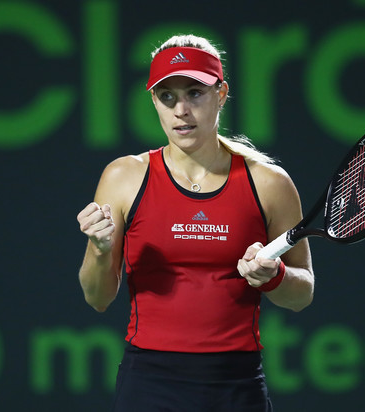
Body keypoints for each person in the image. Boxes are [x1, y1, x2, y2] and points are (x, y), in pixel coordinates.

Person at [77, 34, 314, 412]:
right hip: (149, 386)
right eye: (167, 96)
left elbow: (302, 295)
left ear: (221, 94)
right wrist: (99, 248)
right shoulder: (123, 177)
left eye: (195, 93)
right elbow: (97, 298)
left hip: (237, 387)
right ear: (154, 101)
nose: (181, 110)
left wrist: (274, 276)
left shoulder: (269, 183)